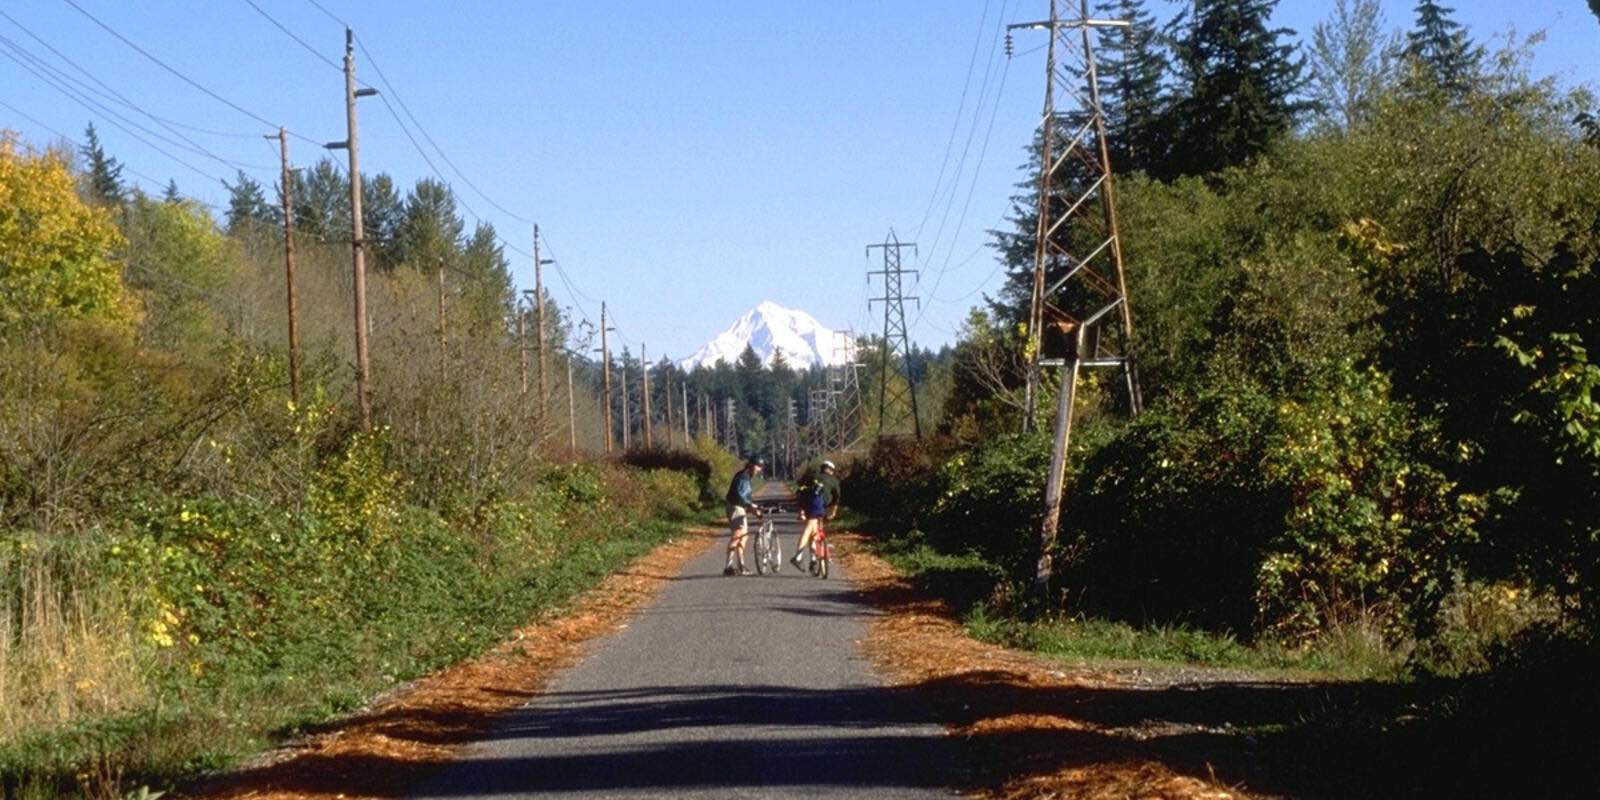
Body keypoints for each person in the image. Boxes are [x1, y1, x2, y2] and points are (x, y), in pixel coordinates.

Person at [791, 459, 841, 571]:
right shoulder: (834, 480)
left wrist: (801, 509)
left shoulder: (813, 476)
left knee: (814, 531)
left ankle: (813, 559)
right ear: (831, 470)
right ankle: (798, 557)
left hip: (807, 503)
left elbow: (800, 487)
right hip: (818, 503)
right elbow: (836, 499)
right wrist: (833, 512)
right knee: (809, 528)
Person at [723, 458, 764, 576]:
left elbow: (745, 498)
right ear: (751, 465)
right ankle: (728, 566)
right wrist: (751, 505)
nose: (759, 469)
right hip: (735, 507)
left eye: (760, 467)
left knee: (743, 536)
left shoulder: (746, 476)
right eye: (758, 466)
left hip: (738, 507)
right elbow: (740, 496)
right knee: (737, 535)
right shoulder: (743, 477)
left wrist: (753, 509)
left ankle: (741, 565)